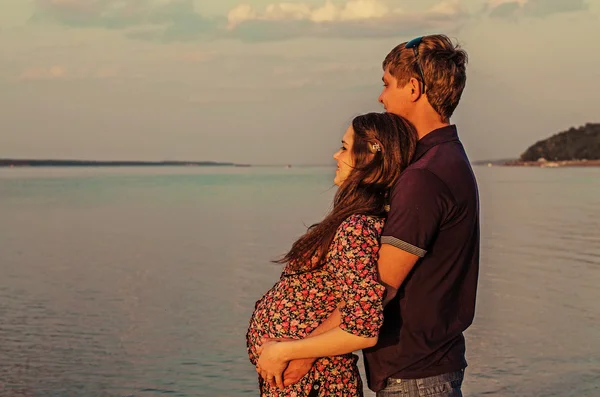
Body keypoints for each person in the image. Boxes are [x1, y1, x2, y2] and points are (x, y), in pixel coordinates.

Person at [257, 34, 480, 397]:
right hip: (420, 368)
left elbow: (378, 292)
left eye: (386, 84)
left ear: (413, 88)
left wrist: (298, 354)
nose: (381, 96)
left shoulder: (424, 176)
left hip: (413, 375)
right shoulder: (442, 161)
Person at [246, 112, 418, 396]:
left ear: (368, 159)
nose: (335, 155)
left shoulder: (357, 228)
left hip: (318, 385)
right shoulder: (353, 222)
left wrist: (284, 351)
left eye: (344, 147)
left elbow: (362, 328)